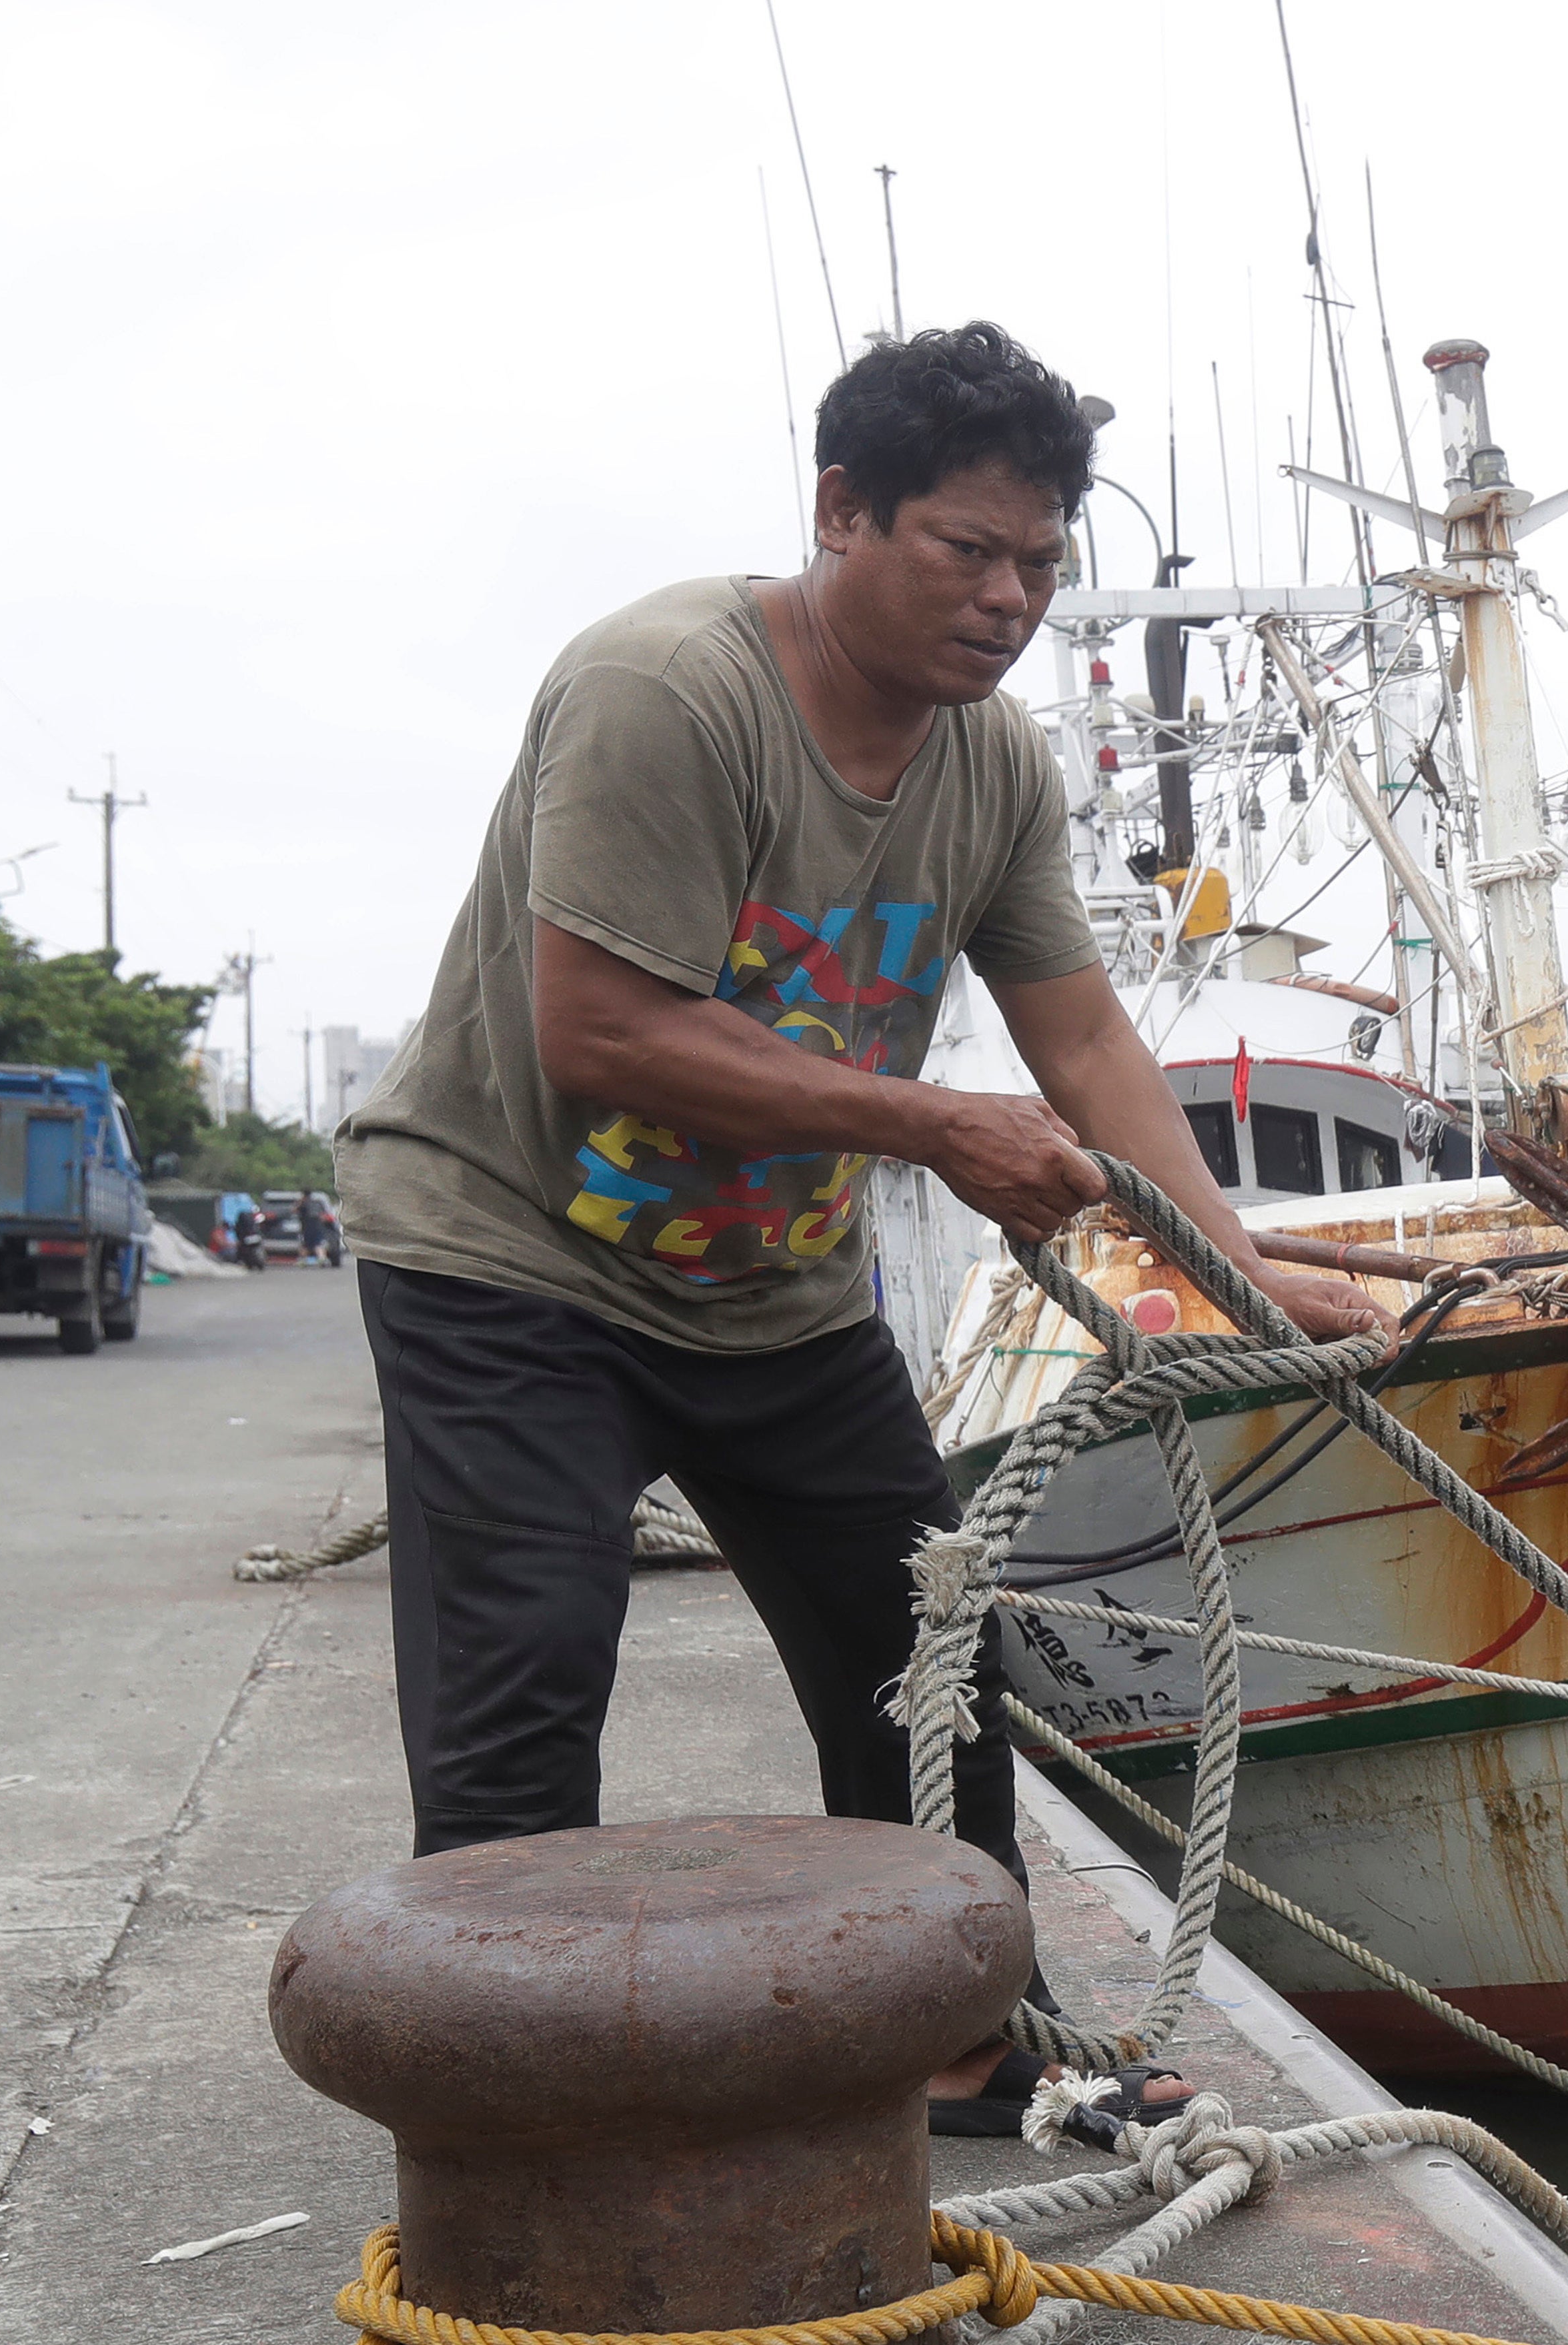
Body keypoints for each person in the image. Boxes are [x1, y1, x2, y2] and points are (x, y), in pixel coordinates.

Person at [333, 321, 1373, 2137]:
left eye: (1042, 562)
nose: (1007, 597)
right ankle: (500, 2130)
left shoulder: (993, 770)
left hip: (771, 1296)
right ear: (841, 509)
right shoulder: (667, 688)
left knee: (932, 1654)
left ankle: (967, 2048)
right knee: (524, 1691)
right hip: (510, 1261)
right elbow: (604, 1028)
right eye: (965, 548)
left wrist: (1231, 1258)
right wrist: (932, 1124)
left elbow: (1080, 1033)